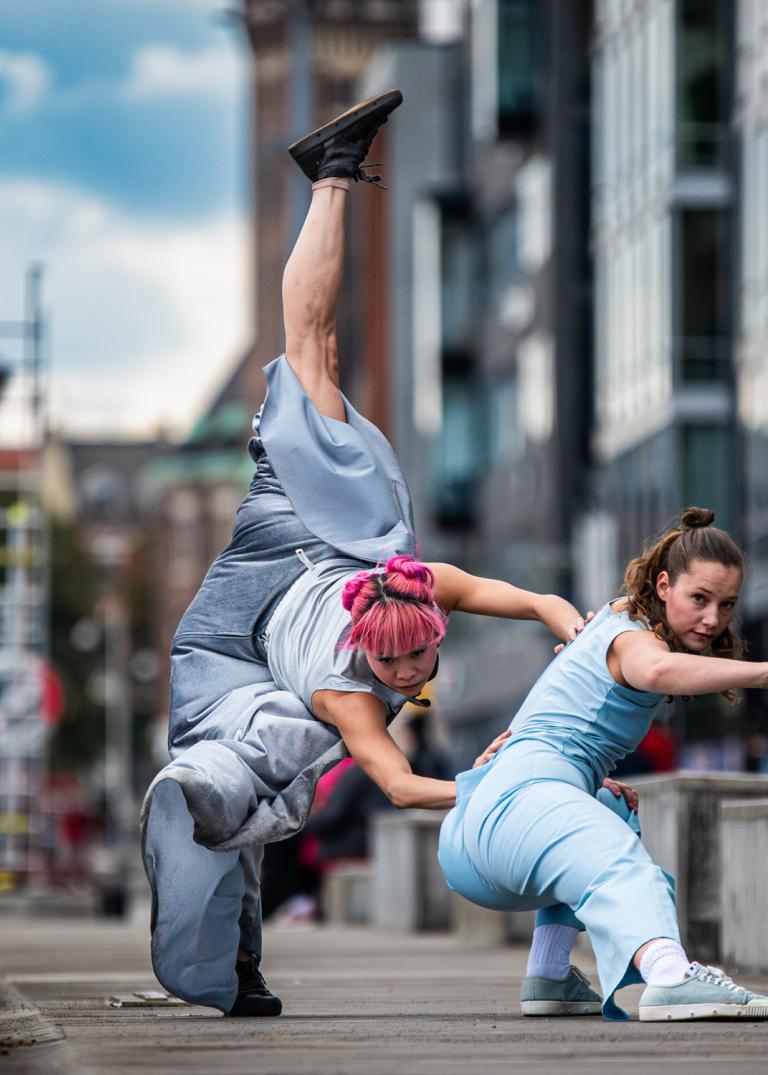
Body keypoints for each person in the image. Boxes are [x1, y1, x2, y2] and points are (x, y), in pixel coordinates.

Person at [140, 90, 617, 1019]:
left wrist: (568, 619)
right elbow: (396, 783)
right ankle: (329, 173)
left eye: (416, 655)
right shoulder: (354, 690)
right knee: (309, 353)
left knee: (256, 778)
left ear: (424, 625)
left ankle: (212, 841)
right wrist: (502, 785)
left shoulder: (414, 590)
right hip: (291, 557)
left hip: (258, 620)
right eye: (395, 657)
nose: (407, 666)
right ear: (373, 635)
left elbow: (506, 592)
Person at [439, 507, 768, 1022]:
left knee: (613, 809)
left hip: (476, 833)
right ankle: (669, 974)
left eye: (726, 605)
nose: (712, 619)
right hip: (512, 809)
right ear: (663, 585)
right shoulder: (631, 635)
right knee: (619, 855)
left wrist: (579, 782)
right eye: (699, 599)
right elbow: (654, 669)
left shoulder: (615, 618)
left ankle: (548, 974)